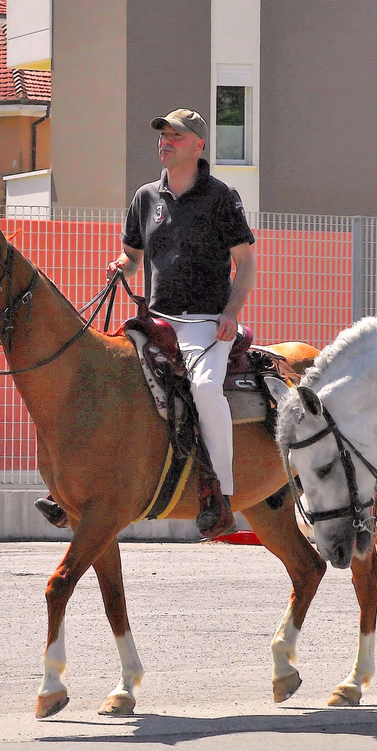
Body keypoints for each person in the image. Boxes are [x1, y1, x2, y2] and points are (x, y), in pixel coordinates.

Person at [110, 108, 257, 538]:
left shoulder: (221, 196)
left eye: (176, 135)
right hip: (155, 320)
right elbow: (134, 258)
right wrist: (121, 265)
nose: (165, 141)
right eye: (162, 135)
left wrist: (230, 313)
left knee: (207, 389)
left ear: (199, 145)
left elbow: (245, 263)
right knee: (108, 378)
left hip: (204, 323)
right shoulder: (144, 198)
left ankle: (222, 494)